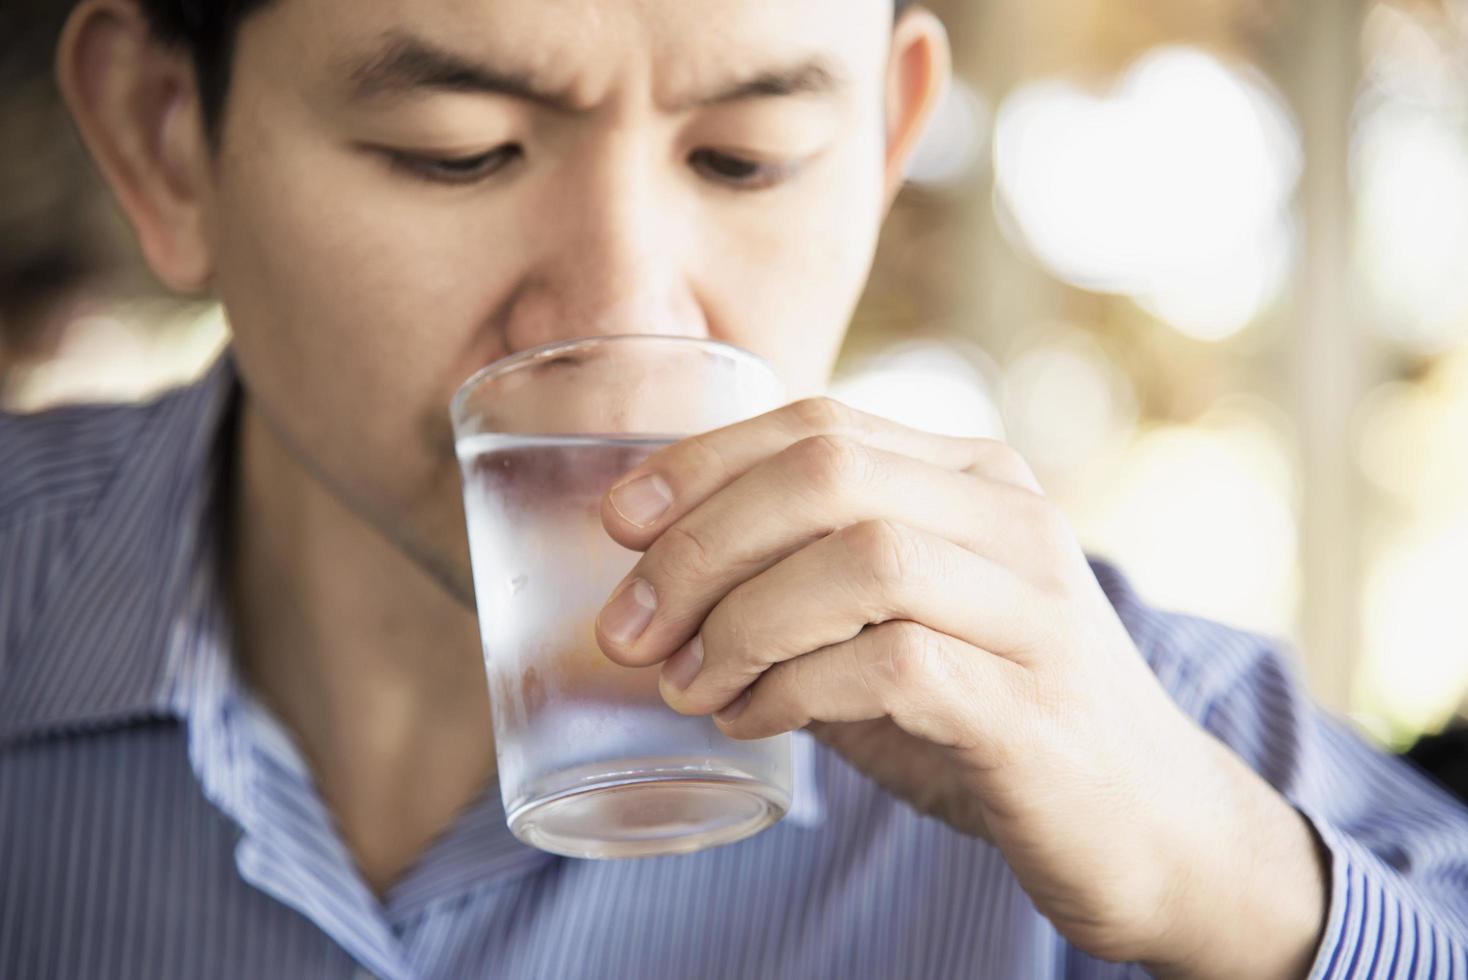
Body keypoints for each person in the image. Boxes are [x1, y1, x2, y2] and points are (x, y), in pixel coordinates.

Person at [2, 0, 1465, 977]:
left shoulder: (1161, 744)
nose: (630, 318)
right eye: (458, 154)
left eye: (747, 159)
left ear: (888, 146)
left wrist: (1247, 900)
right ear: (163, 138)